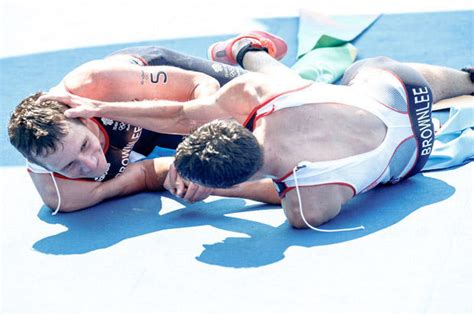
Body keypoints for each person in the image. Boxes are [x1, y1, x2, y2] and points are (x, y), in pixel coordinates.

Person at [41, 31, 474, 229]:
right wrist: (99, 109)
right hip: (400, 89)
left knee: (287, 83)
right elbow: (184, 117)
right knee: (312, 79)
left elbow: (273, 188)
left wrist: (213, 188)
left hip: (413, 157)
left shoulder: (307, 207)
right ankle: (249, 49)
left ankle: (248, 48)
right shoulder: (258, 94)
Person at [8, 44, 284, 213]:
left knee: (280, 97)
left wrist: (199, 149)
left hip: (168, 94)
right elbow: (145, 174)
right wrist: (196, 178)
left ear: (83, 116)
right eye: (69, 166)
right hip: (144, 137)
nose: (91, 164)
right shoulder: (65, 195)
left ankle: (246, 50)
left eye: (84, 145)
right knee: (255, 151)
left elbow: (200, 86)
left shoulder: (96, 82)